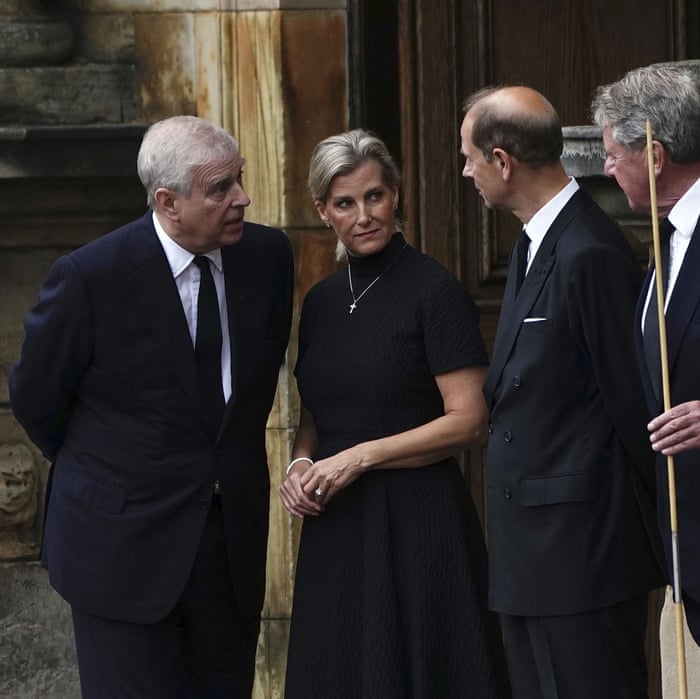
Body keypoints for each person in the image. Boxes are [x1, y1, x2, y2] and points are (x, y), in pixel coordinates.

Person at [8, 115, 293, 698]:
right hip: (119, 547)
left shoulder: (267, 258)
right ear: (168, 202)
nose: (241, 198)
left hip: (227, 547)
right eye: (220, 189)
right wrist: (115, 468)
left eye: (239, 178)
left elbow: (250, 393)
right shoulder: (92, 276)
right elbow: (36, 399)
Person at [278, 129, 509, 698]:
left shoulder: (435, 291)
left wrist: (358, 458)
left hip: (418, 523)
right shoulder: (322, 303)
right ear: (322, 212)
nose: (364, 215)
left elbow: (469, 420)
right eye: (345, 204)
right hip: (336, 526)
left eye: (375, 196)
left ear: (397, 194)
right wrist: (300, 464)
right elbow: (320, 409)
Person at [461, 86, 666, 698]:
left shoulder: (590, 251)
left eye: (471, 156)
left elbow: (636, 409)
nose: (465, 171)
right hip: (533, 555)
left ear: (502, 162)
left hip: (584, 558)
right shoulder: (534, 243)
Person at [592, 62, 700, 645]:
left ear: (654, 157)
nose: (607, 168)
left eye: (613, 154)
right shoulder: (667, 237)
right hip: (683, 547)